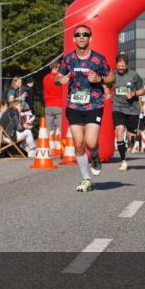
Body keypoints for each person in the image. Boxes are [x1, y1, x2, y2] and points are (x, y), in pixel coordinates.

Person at [55, 24, 114, 192]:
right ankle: (86, 178)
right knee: (78, 144)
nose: (82, 37)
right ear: (74, 39)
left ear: (90, 38)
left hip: (94, 105)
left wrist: (100, 79)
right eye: (78, 34)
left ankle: (94, 157)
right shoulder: (68, 59)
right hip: (74, 106)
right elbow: (57, 78)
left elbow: (111, 78)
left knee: (91, 142)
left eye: (85, 34)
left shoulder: (98, 59)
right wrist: (61, 80)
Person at [110, 53, 143, 172]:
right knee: (119, 131)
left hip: (132, 109)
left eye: (123, 66)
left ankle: (131, 141)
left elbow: (142, 90)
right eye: (119, 66)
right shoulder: (112, 75)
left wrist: (134, 93)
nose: (121, 68)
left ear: (127, 65)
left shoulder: (134, 75)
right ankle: (123, 160)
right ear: (116, 65)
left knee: (132, 135)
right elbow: (107, 86)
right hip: (118, 108)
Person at [42, 59, 63, 135]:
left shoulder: (45, 78)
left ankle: (49, 145)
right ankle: (59, 145)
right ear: (59, 66)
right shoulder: (60, 78)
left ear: (50, 66)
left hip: (48, 105)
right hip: (59, 104)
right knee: (61, 130)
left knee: (48, 129)